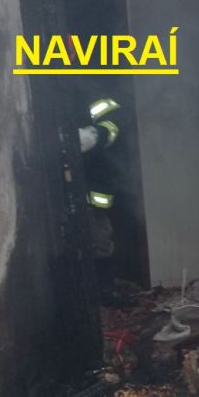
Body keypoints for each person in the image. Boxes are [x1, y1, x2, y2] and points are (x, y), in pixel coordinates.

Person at [79, 97, 136, 308]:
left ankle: (105, 291)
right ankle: (96, 293)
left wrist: (92, 136)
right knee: (94, 242)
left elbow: (111, 127)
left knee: (100, 240)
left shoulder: (98, 100)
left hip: (92, 195)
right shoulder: (64, 90)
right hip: (72, 196)